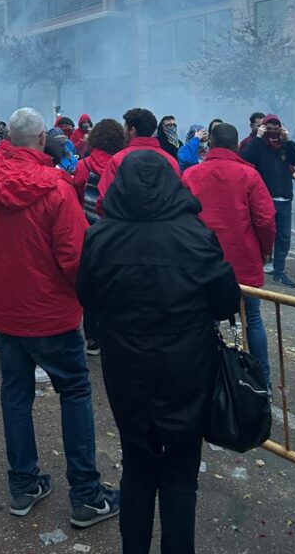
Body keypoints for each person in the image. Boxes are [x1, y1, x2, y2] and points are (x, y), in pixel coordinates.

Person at [77, 151, 240, 554]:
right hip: (186, 366)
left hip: (124, 365)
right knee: (181, 474)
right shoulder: (195, 234)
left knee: (136, 464)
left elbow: (87, 296)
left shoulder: (100, 235)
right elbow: (224, 302)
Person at [0, 108, 119, 528]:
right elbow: (75, 258)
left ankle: (23, 485)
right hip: (53, 314)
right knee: (74, 392)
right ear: (39, 140)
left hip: (6, 314)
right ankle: (86, 495)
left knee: (15, 394)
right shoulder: (56, 187)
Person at [184, 123, 276, 385]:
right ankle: (262, 380)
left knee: (206, 320)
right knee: (253, 319)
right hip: (243, 259)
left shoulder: (191, 175)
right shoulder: (249, 175)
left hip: (202, 261)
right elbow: (265, 219)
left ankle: (207, 377)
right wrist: (265, 250)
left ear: (210, 144)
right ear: (237, 146)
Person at [73, 117, 126, 355]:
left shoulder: (84, 165)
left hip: (89, 230)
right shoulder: (123, 164)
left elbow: (76, 195)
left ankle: (93, 336)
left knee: (92, 281)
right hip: (118, 230)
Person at [242, 114, 295, 289]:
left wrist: (289, 140)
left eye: (276, 128)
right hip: (265, 197)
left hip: (285, 197)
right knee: (263, 234)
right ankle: (259, 264)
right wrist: (260, 138)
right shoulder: (259, 146)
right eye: (269, 128)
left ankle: (279, 271)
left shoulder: (284, 146)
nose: (273, 132)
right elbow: (247, 157)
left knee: (284, 236)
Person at [97, 107, 180, 212]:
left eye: (125, 127)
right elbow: (177, 199)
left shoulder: (117, 161)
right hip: (164, 225)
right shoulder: (171, 161)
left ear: (132, 130)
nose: (123, 131)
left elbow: (104, 201)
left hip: (124, 226)